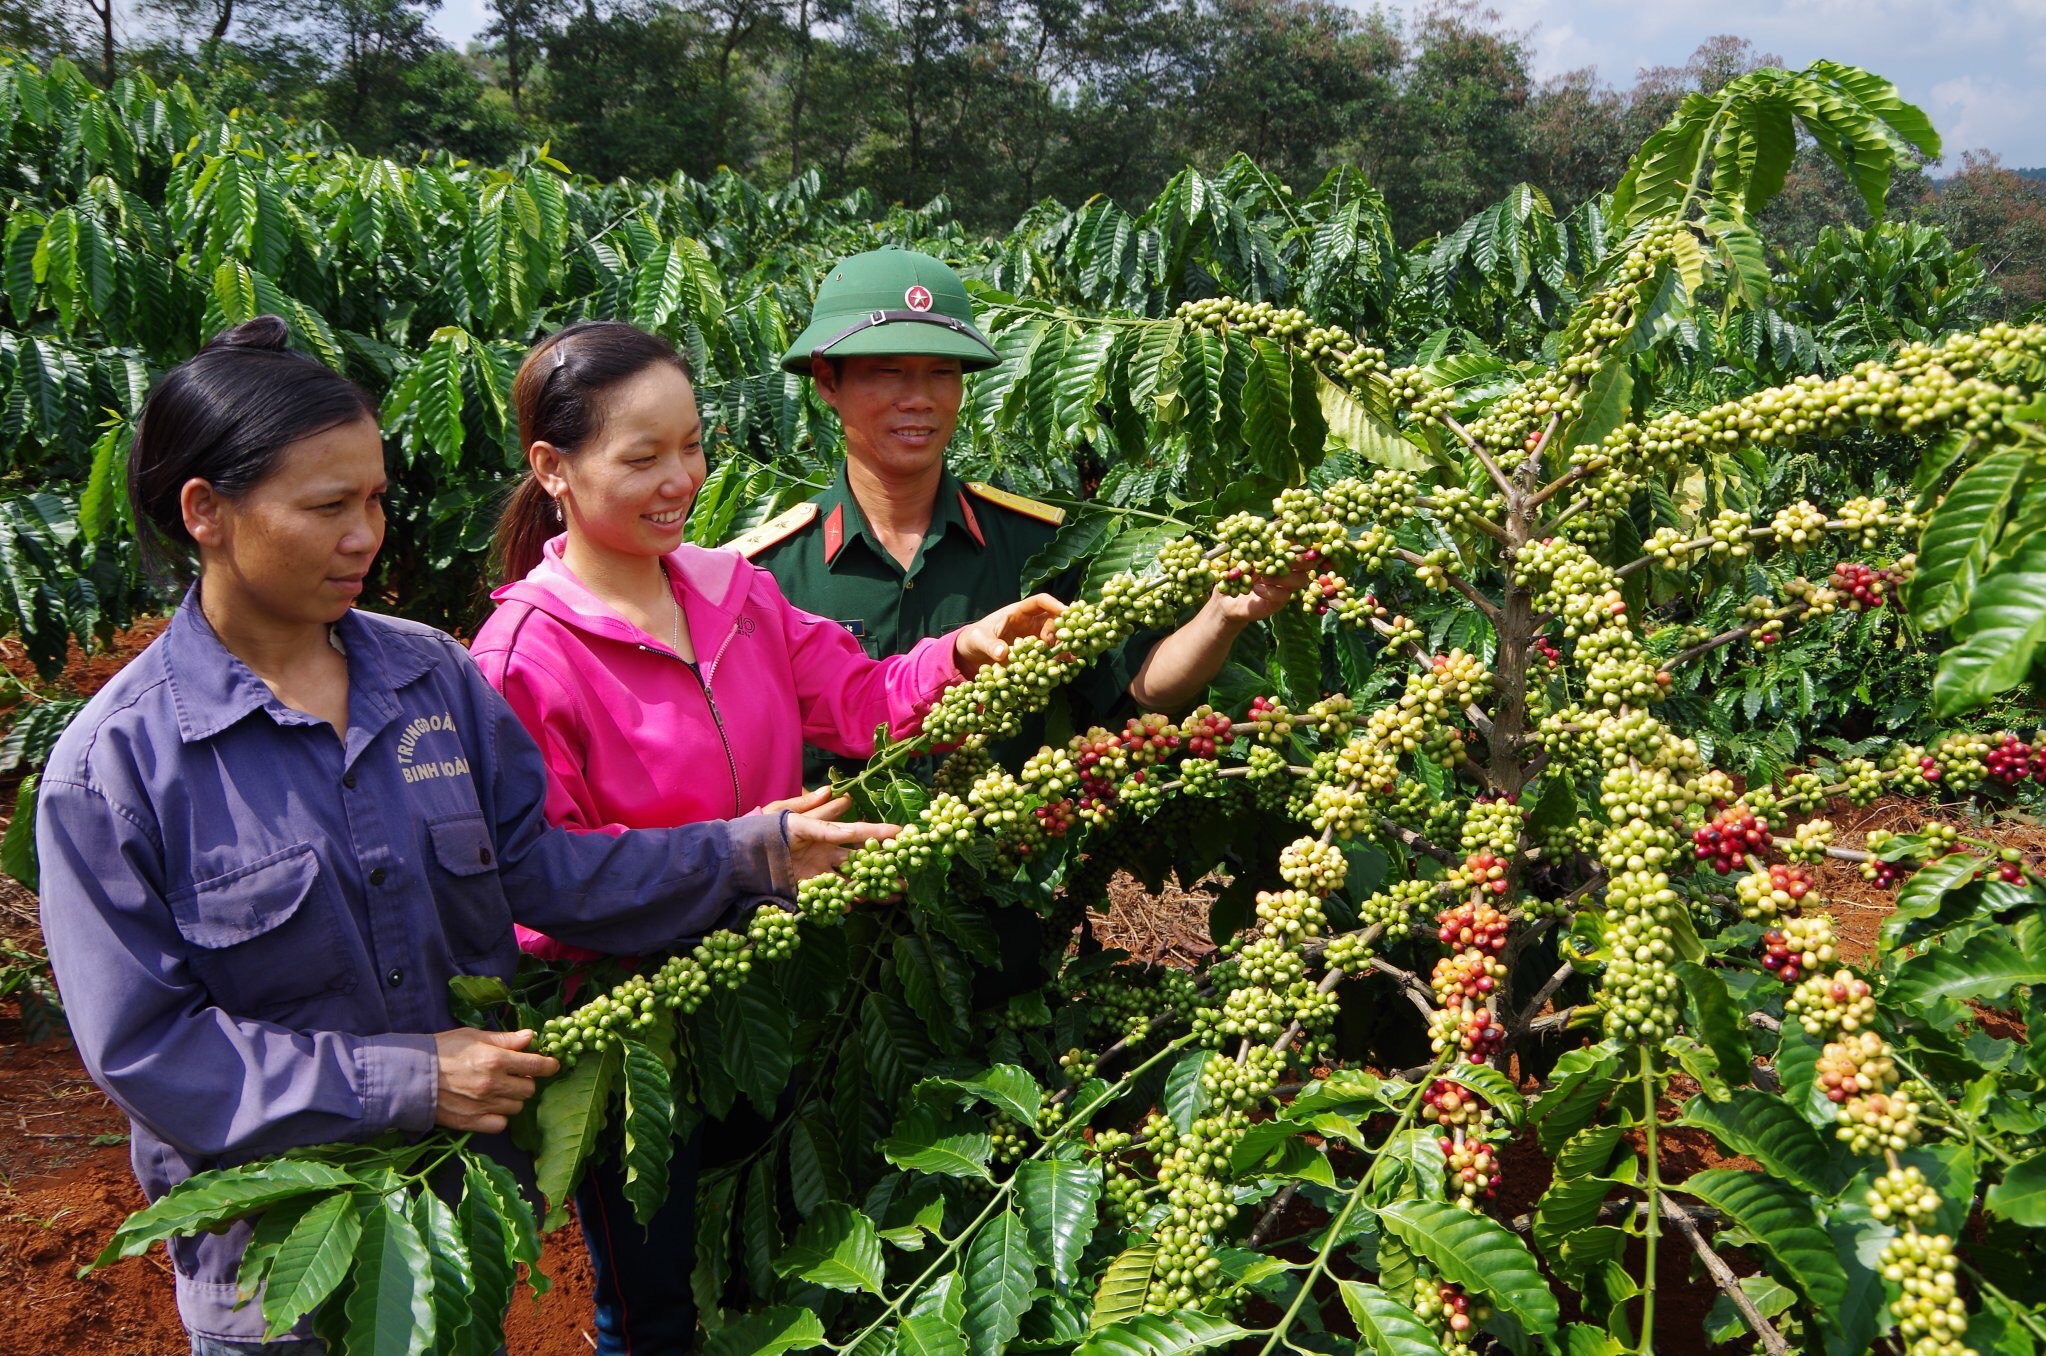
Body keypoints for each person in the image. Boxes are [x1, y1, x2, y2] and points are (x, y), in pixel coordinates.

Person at [34, 317, 892, 1355]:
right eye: (327, 508)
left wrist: (744, 852)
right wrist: (409, 1078)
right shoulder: (118, 767)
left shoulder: (429, 680)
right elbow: (149, 1048)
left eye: (375, 501)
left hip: (459, 1220)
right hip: (280, 1274)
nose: (366, 538)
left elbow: (545, 873)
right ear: (206, 512)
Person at [470, 319, 1062, 1356]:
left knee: (774, 1258)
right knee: (648, 1306)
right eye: (640, 457)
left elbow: (856, 699)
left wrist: (961, 653)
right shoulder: (523, 655)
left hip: (777, 988)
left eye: (690, 447)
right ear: (552, 470)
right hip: (628, 1029)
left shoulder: (734, 593)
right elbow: (543, 880)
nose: (677, 480)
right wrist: (750, 853)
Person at [736, 248, 1305, 772]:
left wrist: (1222, 615)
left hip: (1005, 865)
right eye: (887, 372)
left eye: (943, 372)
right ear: (827, 381)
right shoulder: (767, 572)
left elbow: (1140, 683)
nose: (920, 398)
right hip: (826, 877)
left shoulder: (1036, 544)